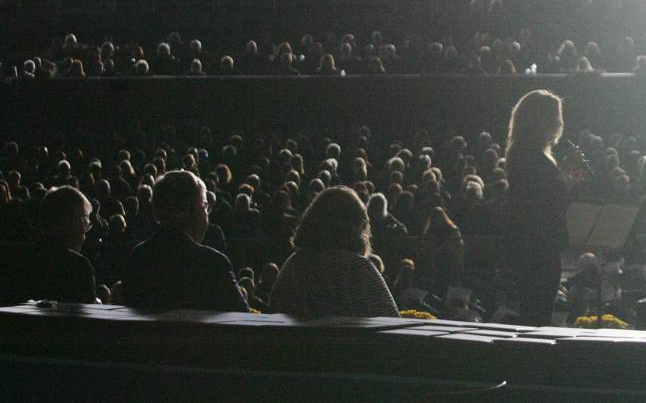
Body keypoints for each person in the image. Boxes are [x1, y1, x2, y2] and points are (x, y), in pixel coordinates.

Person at [504, 89, 584, 326]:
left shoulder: (524, 152)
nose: (558, 125)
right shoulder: (529, 155)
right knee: (537, 313)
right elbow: (545, 197)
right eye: (554, 118)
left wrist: (567, 179)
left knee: (537, 311)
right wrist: (566, 171)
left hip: (535, 242)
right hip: (536, 243)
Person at [122, 171, 248, 312]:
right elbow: (243, 319)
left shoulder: (137, 257)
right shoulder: (213, 265)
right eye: (205, 206)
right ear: (187, 210)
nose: (207, 215)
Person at [269, 186, 399, 318]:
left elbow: (273, 314)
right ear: (357, 226)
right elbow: (390, 319)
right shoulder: (357, 269)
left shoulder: (294, 266)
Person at [13, 186, 96, 304]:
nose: (85, 232)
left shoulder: (19, 260)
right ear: (70, 221)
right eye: (85, 222)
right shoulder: (78, 267)